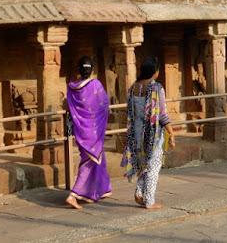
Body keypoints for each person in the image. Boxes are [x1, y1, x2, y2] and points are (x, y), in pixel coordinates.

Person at [121, 56, 176, 210]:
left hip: (136, 133)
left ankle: (139, 192)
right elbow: (163, 115)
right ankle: (149, 200)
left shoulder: (133, 87)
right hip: (153, 134)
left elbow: (130, 111)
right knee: (153, 166)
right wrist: (171, 133)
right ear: (155, 72)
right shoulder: (156, 88)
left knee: (144, 164)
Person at [65, 56, 112, 209]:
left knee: (96, 160)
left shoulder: (72, 88)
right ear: (92, 70)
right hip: (94, 131)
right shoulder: (96, 85)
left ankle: (94, 192)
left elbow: (70, 107)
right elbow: (104, 105)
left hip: (81, 131)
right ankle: (73, 195)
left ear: (78, 70)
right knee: (89, 163)